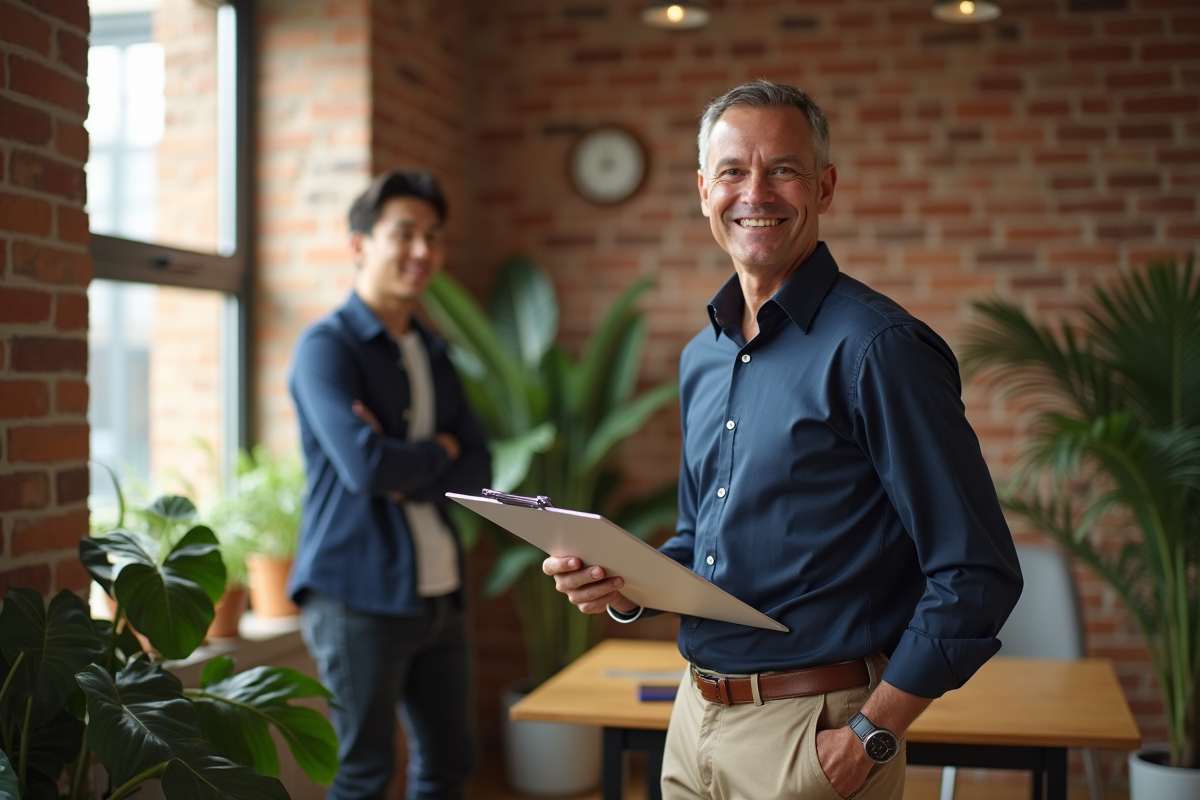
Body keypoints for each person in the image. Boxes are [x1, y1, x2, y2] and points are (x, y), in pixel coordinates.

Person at [543, 80, 1023, 799]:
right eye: (734, 171)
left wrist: (870, 733)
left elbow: (976, 572)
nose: (756, 192)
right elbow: (698, 539)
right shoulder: (701, 355)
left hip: (815, 737)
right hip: (691, 723)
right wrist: (620, 586)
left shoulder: (880, 349)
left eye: (785, 170)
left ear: (824, 188)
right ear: (704, 190)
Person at [288, 170, 491, 800]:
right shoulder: (327, 349)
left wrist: (411, 462)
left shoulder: (434, 351)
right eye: (404, 234)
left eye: (433, 236)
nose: (423, 251)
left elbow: (478, 468)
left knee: (451, 762)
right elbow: (366, 468)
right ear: (359, 245)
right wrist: (440, 451)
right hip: (356, 593)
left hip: (439, 591)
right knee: (366, 773)